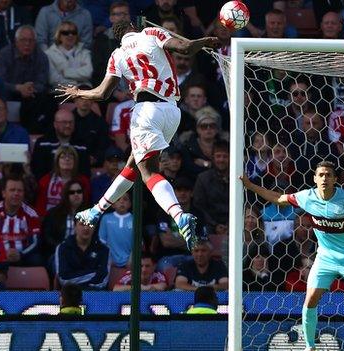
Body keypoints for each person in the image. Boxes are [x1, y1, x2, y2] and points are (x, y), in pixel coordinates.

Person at [55, 20, 220, 250]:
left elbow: (102, 93)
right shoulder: (151, 32)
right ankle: (96, 210)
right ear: (134, 25)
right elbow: (185, 48)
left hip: (146, 111)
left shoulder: (117, 54)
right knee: (133, 165)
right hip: (173, 111)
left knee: (148, 171)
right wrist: (204, 41)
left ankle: (179, 216)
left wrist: (78, 92)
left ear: (117, 37)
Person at [240, 160, 344, 351]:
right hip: (325, 258)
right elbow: (278, 198)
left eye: (328, 175)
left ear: (336, 179)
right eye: (321, 175)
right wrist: (250, 185)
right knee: (310, 299)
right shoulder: (306, 197)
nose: (324, 178)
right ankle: (309, 346)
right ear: (314, 178)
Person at [55, 217, 110, 290]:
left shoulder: (104, 248)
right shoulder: (63, 248)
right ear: (75, 226)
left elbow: (103, 280)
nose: (86, 228)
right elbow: (64, 279)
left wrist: (78, 277)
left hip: (96, 294)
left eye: (90, 224)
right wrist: (94, 273)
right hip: (71, 294)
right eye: (82, 224)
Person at [98, 192, 133, 267]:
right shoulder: (106, 219)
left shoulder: (134, 219)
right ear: (113, 204)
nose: (122, 201)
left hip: (130, 262)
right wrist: (108, 260)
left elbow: (138, 244)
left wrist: (131, 260)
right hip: (109, 262)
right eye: (118, 199)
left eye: (125, 199)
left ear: (130, 203)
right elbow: (102, 242)